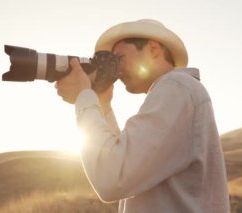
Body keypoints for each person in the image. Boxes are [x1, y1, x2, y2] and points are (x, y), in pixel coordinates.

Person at [55, 19, 230, 213]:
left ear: (154, 49)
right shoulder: (176, 91)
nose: (117, 70)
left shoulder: (175, 87)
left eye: (119, 59)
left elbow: (111, 177)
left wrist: (84, 97)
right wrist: (102, 105)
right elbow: (124, 164)